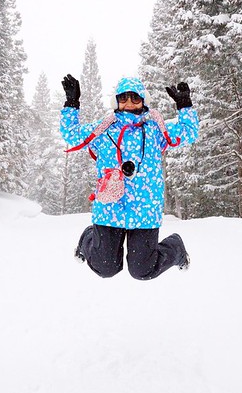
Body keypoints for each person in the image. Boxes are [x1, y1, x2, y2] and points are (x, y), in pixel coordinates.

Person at [59, 74, 199, 280]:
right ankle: (87, 239)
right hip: (110, 206)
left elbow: (189, 132)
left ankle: (176, 249)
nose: (129, 103)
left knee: (142, 270)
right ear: (116, 101)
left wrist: (184, 105)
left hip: (145, 210)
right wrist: (72, 103)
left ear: (143, 100)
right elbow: (71, 134)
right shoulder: (103, 130)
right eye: (124, 98)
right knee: (105, 267)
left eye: (135, 98)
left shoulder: (155, 131)